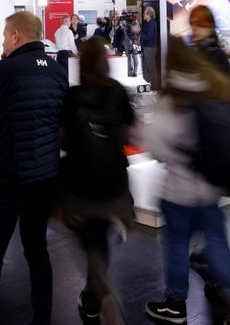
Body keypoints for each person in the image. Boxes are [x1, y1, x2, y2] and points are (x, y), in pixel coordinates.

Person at [0, 11, 68, 325]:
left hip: (7, 176)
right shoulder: (56, 70)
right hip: (43, 177)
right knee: (37, 252)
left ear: (15, 36)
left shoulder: (6, 70)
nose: (2, 43)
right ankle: (42, 319)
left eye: (4, 37)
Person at [145, 37, 230, 325]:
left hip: (178, 191)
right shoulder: (212, 88)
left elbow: (157, 148)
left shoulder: (170, 100)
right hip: (210, 186)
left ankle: (176, 304)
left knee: (176, 245)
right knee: (217, 241)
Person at [61, 37, 135, 325]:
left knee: (92, 246)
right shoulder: (118, 91)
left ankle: (106, 301)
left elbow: (63, 139)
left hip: (80, 185)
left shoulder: (72, 96)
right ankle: (92, 298)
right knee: (99, 244)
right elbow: (128, 135)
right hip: (114, 183)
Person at [188, 5, 230, 78]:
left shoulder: (219, 56)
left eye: (199, 24)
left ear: (210, 26)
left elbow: (227, 83)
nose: (194, 28)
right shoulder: (189, 52)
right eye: (191, 23)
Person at [141, 6, 160, 90]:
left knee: (151, 68)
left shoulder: (152, 23)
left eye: (145, 13)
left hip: (150, 48)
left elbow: (148, 36)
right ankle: (150, 86)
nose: (143, 14)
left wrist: (139, 32)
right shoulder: (147, 24)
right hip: (147, 47)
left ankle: (154, 86)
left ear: (149, 14)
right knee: (147, 68)